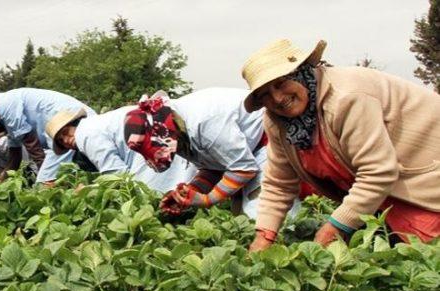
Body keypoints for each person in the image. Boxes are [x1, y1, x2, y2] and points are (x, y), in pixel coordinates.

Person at [241, 39, 440, 252]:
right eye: (265, 94)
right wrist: (264, 235)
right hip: (384, 194)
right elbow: (279, 183)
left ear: (301, 72)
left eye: (281, 83)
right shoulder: (277, 120)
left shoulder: (346, 97)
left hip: (423, 179)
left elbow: (377, 172)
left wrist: (334, 227)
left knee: (428, 256)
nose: (278, 98)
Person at [123, 88, 274, 218]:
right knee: (240, 217)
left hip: (269, 136)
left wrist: (206, 200)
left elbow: (243, 168)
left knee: (261, 213)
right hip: (247, 154)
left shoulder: (205, 123)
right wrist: (190, 192)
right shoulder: (177, 129)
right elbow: (213, 168)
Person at [0, 88, 96, 185]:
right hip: (59, 132)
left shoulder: (4, 105)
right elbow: (15, 156)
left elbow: (32, 145)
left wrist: (45, 176)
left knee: (43, 187)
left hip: (69, 123)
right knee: (88, 163)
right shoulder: (2, 118)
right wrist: (3, 177)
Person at [46, 105, 197, 193]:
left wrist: (88, 190)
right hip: (165, 134)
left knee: (151, 197)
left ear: (75, 124)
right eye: (61, 141)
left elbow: (117, 175)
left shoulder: (85, 134)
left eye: (66, 132)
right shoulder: (95, 124)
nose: (66, 140)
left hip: (153, 145)